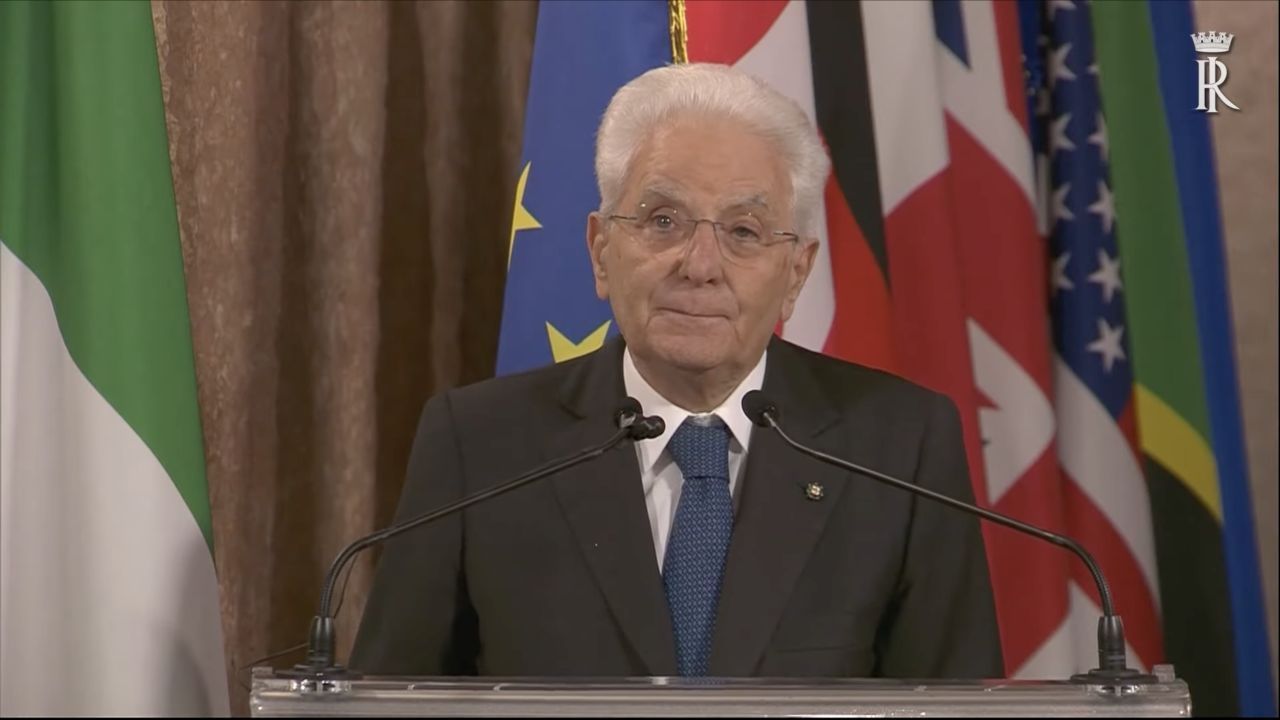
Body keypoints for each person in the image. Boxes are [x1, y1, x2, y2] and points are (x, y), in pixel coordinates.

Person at [351, 62, 1003, 679]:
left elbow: (956, 706)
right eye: (662, 221)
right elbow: (389, 699)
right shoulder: (480, 446)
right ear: (601, 251)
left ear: (796, 273)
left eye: (744, 232)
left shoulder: (899, 449)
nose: (700, 265)